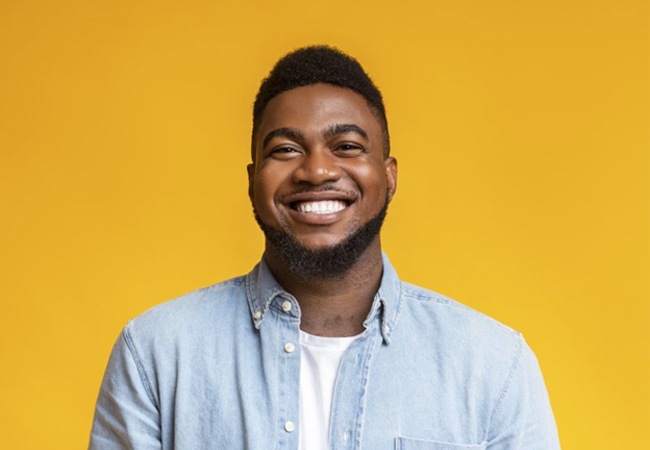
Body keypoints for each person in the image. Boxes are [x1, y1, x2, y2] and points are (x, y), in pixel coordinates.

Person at [89, 46, 560, 450]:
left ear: (389, 175)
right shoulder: (155, 353)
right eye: (286, 150)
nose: (316, 171)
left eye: (347, 146)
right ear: (252, 181)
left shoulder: (494, 366)